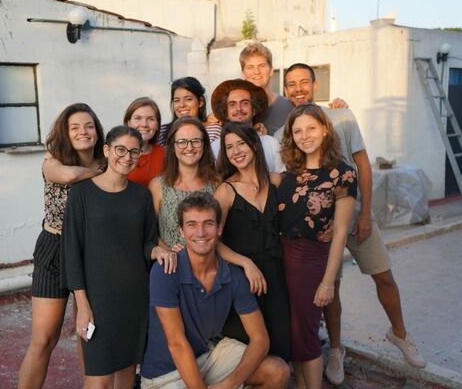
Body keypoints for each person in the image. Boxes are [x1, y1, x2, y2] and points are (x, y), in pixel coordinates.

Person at [281, 63, 426, 385]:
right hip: (317, 226)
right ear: (286, 90)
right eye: (292, 84)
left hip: (354, 212)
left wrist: (364, 214)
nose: (299, 88)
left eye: (305, 81)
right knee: (331, 288)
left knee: (383, 275)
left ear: (316, 84)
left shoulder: (341, 116)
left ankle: (400, 333)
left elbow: (362, 163)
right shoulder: (286, 130)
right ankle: (335, 348)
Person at [61, 126, 175, 389]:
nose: (127, 156)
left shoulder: (140, 195)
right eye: (120, 149)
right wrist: (82, 304)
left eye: (134, 151)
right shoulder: (81, 193)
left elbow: (146, 243)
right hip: (97, 299)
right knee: (98, 381)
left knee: (125, 376)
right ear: (107, 150)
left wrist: (158, 250)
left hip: (133, 297)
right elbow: (72, 251)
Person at [140, 192, 290, 389]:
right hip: (165, 375)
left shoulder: (233, 275)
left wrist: (230, 383)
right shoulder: (166, 270)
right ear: (181, 230)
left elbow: (260, 339)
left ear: (219, 228)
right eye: (192, 224)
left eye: (208, 223)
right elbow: (177, 344)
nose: (200, 232)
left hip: (206, 360)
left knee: (277, 371)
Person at [18, 103, 106, 389]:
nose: (84, 131)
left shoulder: (107, 160)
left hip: (90, 252)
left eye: (89, 125)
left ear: (97, 130)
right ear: (65, 133)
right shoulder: (53, 161)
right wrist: (101, 171)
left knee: (88, 334)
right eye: (75, 127)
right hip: (54, 247)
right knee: (44, 339)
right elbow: (68, 177)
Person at [276, 104, 357, 389]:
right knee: (292, 335)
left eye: (311, 128)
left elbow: (341, 232)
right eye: (297, 131)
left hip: (310, 263)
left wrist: (327, 283)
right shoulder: (288, 174)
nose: (304, 136)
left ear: (325, 129)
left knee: (307, 334)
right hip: (280, 260)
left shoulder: (342, 174)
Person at [214, 122, 291, 362]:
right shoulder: (225, 192)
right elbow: (211, 242)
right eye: (229, 147)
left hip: (278, 277)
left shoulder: (276, 181)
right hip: (243, 280)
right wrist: (245, 263)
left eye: (241, 144)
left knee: (281, 346)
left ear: (255, 145)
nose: (236, 151)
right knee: (248, 351)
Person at [239, 42, 348, 136]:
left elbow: (315, 113)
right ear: (243, 73)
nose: (257, 72)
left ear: (271, 70)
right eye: (250, 67)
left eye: (262, 66)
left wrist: (337, 109)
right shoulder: (235, 111)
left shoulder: (291, 105)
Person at [149, 116, 218, 250]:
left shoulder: (217, 183)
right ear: (173, 146)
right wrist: (169, 253)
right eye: (182, 142)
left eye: (196, 141)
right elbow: (149, 232)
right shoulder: (158, 186)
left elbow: (224, 233)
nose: (189, 147)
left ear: (204, 145)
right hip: (171, 266)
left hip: (210, 264)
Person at [210, 79, 285, 173]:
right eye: (232, 104)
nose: (239, 109)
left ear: (254, 109)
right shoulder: (215, 147)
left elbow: (281, 178)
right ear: (226, 113)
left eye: (245, 103)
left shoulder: (272, 144)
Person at [157, 77, 216, 145]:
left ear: (200, 102)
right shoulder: (162, 132)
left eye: (188, 99)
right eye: (177, 100)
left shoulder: (212, 130)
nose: (182, 105)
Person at [124, 97, 165, 187]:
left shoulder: (166, 155)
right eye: (138, 118)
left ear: (158, 125)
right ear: (128, 122)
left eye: (151, 119)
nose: (144, 124)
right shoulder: (116, 154)